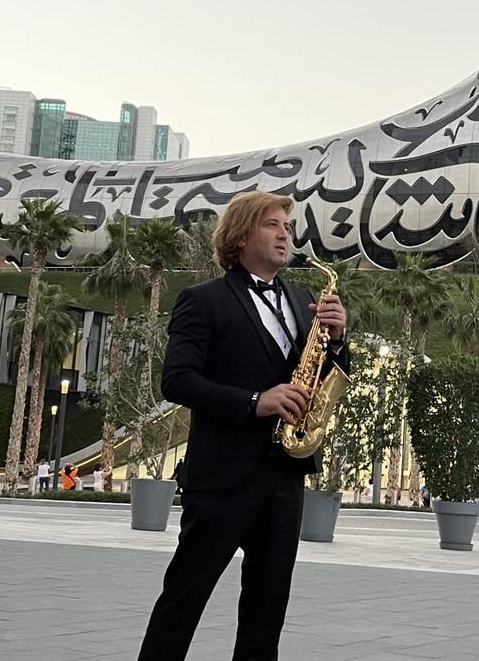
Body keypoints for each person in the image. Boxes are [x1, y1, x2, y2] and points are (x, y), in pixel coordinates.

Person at [138, 192, 349, 661]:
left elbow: (321, 375)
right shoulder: (202, 300)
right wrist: (255, 402)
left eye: (287, 227)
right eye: (272, 225)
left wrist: (337, 341)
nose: (284, 235)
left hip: (285, 474)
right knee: (183, 601)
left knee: (266, 614)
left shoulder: (303, 300)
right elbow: (177, 380)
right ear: (239, 236)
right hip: (222, 478)